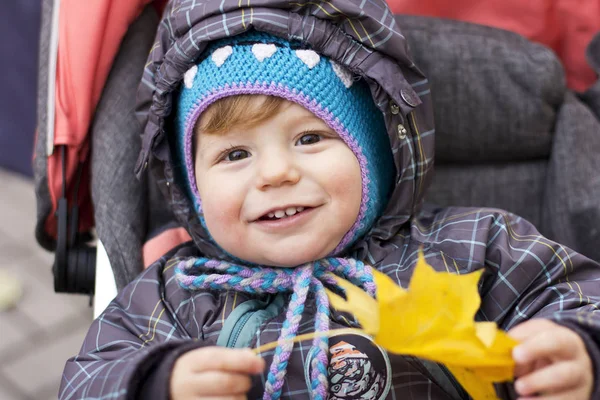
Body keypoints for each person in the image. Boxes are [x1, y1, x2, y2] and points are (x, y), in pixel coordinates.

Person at [59, 1, 600, 399]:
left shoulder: (467, 246)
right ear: (192, 188)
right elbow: (87, 379)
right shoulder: (177, 294)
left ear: (377, 155)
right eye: (234, 156)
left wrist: (577, 348)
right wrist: (156, 383)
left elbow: (577, 293)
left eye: (310, 139)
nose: (275, 173)